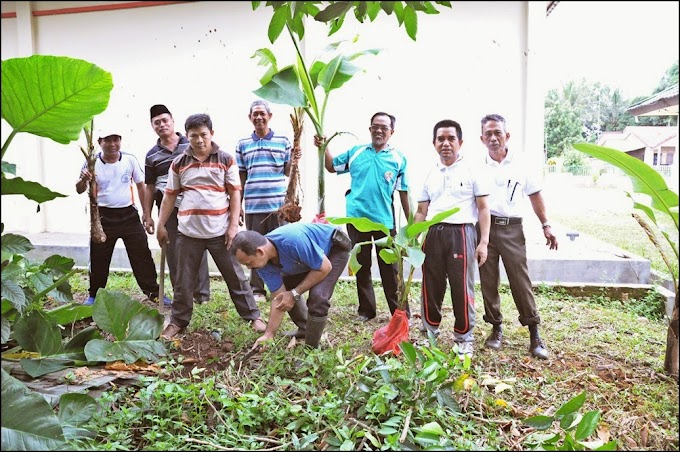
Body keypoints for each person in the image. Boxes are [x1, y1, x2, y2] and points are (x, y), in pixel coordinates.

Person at [156, 113, 266, 339]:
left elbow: (235, 194)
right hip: (188, 232)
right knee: (183, 281)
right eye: (193, 136)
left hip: (220, 232)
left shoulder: (226, 159)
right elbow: (169, 197)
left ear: (211, 134)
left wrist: (233, 227)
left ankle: (253, 316)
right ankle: (177, 321)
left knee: (235, 276)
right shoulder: (179, 163)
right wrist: (160, 224)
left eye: (203, 135)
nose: (199, 140)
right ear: (187, 137)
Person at [478, 114, 558, 360]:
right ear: (482, 138)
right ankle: (495, 328)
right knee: (488, 280)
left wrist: (546, 225)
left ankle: (534, 333)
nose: (493, 138)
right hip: (484, 230)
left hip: (512, 229)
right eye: (488, 134)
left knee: (520, 280)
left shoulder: (522, 164)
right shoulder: (476, 165)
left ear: (507, 136)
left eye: (497, 133)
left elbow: (535, 195)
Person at [318, 111, 411, 322]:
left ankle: (400, 312)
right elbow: (332, 166)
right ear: (370, 129)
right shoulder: (356, 152)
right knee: (361, 265)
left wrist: (410, 225)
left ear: (391, 132)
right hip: (356, 219)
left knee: (391, 269)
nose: (379, 130)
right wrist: (324, 147)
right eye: (375, 126)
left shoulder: (398, 159)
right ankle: (366, 311)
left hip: (384, 222)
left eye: (384, 128)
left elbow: (404, 193)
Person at [415, 119, 491, 359]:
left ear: (460, 142)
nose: (446, 144)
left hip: (461, 233)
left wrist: (483, 242)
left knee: (462, 287)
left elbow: (483, 208)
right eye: (441, 139)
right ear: (434, 143)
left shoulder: (472, 170)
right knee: (431, 286)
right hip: (433, 234)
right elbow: (421, 211)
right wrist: (413, 238)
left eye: (451, 139)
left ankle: (464, 337)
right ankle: (430, 333)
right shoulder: (430, 173)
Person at [75, 128, 168, 306]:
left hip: (128, 215)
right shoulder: (92, 163)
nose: (112, 144)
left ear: (120, 141)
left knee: (142, 255)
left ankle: (153, 292)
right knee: (99, 257)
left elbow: (142, 186)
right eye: (107, 140)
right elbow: (79, 189)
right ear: (100, 142)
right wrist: (83, 180)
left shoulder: (129, 160)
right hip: (103, 217)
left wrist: (146, 214)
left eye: (116, 140)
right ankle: (94, 294)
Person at [231, 222, 351, 348]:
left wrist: (295, 293)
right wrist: (269, 335)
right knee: (286, 292)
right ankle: (305, 329)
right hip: (310, 258)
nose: (249, 267)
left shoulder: (293, 241)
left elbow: (325, 267)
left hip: (334, 248)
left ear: (260, 252)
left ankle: (311, 350)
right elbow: (279, 297)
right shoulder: (263, 264)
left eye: (249, 263)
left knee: (318, 297)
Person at [143, 104, 211, 305]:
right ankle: (181, 294)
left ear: (172, 121)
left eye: (165, 120)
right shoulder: (151, 155)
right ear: (152, 126)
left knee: (198, 248)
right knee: (173, 253)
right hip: (168, 209)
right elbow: (149, 186)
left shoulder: (191, 144)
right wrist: (147, 214)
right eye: (157, 123)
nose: (162, 125)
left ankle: (202, 296)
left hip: (194, 207)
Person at [236, 100, 293, 303]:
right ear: (249, 117)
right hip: (253, 205)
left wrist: (295, 160)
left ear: (269, 115)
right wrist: (239, 205)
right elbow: (241, 176)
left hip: (278, 206)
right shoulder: (243, 144)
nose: (259, 117)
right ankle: (257, 289)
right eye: (255, 114)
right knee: (254, 248)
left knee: (279, 248)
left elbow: (289, 172)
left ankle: (282, 286)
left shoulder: (283, 140)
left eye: (262, 113)